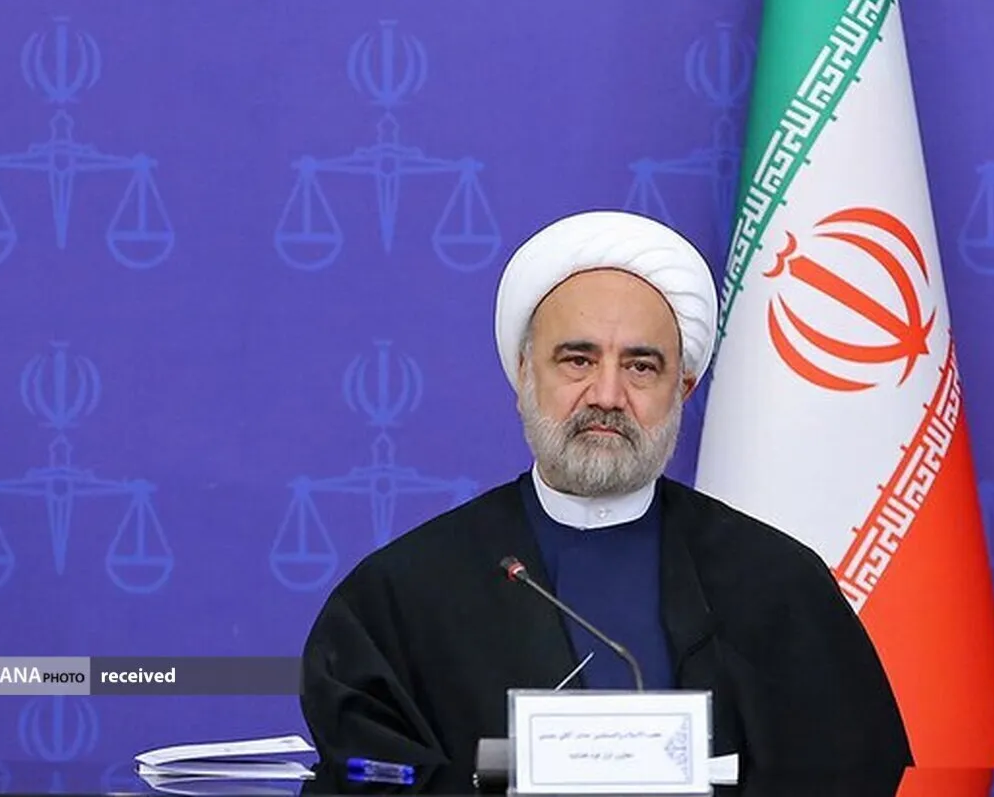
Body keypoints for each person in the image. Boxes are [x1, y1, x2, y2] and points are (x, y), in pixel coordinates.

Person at [299, 210, 913, 793]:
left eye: (642, 367)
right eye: (578, 360)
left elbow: (847, 768)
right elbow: (368, 776)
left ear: (682, 390)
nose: (608, 395)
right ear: (525, 375)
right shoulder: (402, 595)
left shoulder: (777, 583)